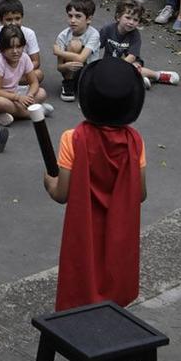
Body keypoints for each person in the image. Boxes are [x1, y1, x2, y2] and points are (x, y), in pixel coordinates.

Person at [44, 59, 148, 336]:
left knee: (83, 283)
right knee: (114, 283)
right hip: (120, 228)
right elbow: (140, 193)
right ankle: (109, 343)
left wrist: (48, 180)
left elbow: (61, 194)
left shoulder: (73, 138)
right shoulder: (134, 141)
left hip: (85, 227)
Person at [0, 22, 49, 124]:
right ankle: (31, 113)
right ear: (2, 48)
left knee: (41, 93)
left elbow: (34, 82)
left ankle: (3, 114)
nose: (15, 51)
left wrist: (30, 96)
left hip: (13, 92)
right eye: (10, 47)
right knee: (1, 103)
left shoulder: (25, 58)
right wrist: (18, 98)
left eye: (19, 47)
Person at [52, 0, 102, 100]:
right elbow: (59, 67)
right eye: (70, 16)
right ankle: (68, 84)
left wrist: (58, 52)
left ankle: (87, 85)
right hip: (71, 71)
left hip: (90, 71)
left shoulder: (94, 34)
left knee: (76, 44)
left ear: (89, 19)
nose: (73, 20)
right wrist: (66, 66)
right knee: (73, 44)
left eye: (78, 16)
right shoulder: (63, 36)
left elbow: (81, 59)